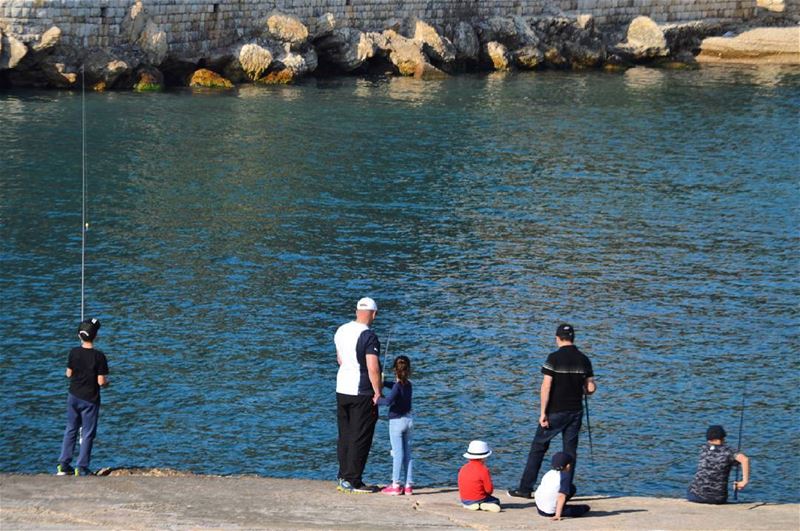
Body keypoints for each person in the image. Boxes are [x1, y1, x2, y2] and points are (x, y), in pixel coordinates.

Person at [508, 323, 596, 498]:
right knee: (570, 452)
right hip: (575, 411)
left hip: (555, 411)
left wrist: (542, 413)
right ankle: (565, 490)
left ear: (557, 338)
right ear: (573, 338)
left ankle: (525, 488)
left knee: (538, 448)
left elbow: (546, 386)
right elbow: (590, 388)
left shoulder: (553, 358)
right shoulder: (584, 359)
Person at [334, 297, 382, 494]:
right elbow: (372, 367)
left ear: (356, 312)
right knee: (360, 436)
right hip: (361, 391)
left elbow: (340, 359)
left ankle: (343, 476)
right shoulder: (369, 336)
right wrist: (378, 390)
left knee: (345, 434)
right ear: (374, 314)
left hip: (342, 388)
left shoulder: (341, 330)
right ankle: (354, 480)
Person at [56, 318, 109, 476]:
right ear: (96, 336)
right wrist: (107, 384)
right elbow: (101, 382)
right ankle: (82, 467)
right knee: (87, 433)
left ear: (79, 336)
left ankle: (64, 465)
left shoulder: (73, 352)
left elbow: (68, 374)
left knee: (71, 429)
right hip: (90, 400)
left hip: (73, 397)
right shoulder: (99, 356)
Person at [377, 355, 414, 495]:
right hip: (409, 421)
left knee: (397, 454)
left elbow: (388, 401)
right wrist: (384, 382)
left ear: (395, 370)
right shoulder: (408, 385)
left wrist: (377, 399)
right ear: (408, 370)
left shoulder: (398, 386)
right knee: (408, 454)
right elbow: (395, 387)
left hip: (396, 422)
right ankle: (409, 485)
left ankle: (395, 485)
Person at [687, 425, 750, 504]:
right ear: (723, 437)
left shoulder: (703, 449)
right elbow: (744, 459)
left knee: (691, 487)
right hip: (718, 498)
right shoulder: (729, 451)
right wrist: (744, 481)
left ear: (708, 439)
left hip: (696, 496)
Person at [534, 452, 590, 520]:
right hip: (549, 512)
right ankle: (558, 509)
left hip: (539, 508)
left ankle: (557, 506)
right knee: (584, 508)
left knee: (571, 488)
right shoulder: (565, 476)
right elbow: (561, 496)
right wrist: (558, 515)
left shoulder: (549, 473)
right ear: (568, 466)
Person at [458, 440, 501, 512]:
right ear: (484, 457)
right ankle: (481, 505)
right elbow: (489, 490)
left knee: (474, 499)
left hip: (464, 499)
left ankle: (470, 505)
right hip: (480, 498)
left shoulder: (463, 468)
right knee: (496, 501)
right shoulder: (483, 469)